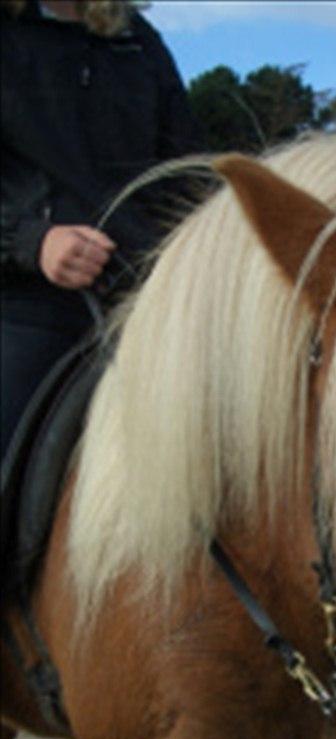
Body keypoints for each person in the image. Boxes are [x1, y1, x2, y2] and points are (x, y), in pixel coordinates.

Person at [1, 0, 203, 458]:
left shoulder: (136, 40)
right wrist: (34, 241)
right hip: (26, 306)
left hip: (144, 307)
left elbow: (187, 173)